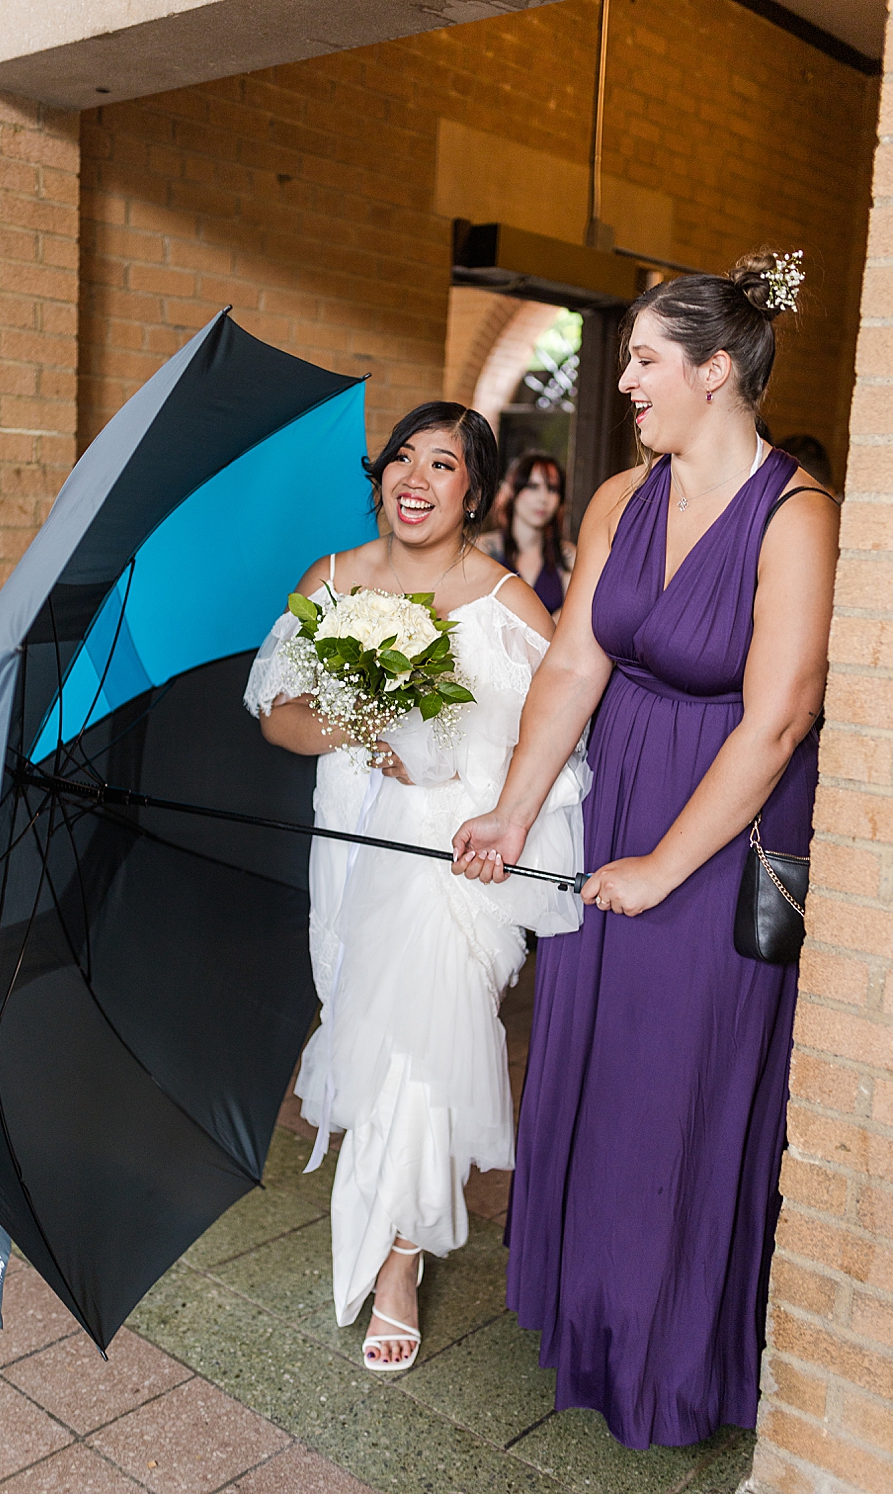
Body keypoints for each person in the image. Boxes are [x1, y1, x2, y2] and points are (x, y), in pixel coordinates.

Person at [452, 252, 837, 1447]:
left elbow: (776, 717)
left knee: (679, 1085)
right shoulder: (622, 498)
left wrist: (662, 868)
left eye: (644, 361)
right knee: (592, 1063)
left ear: (715, 372)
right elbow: (573, 663)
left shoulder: (797, 517)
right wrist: (515, 811)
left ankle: (670, 1361)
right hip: (610, 802)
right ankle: (590, 1323)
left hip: (717, 836)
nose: (623, 381)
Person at [245, 401, 584, 1371]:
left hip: (450, 862)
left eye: (442, 464)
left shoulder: (507, 600)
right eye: (403, 456)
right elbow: (278, 714)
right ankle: (386, 1223)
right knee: (357, 1019)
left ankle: (398, 1264)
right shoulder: (333, 580)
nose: (416, 476)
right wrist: (360, 727)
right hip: (349, 839)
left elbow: (556, 732)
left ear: (473, 492)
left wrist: (471, 795)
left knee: (421, 1049)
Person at [479, 452, 573, 616]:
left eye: (552, 489)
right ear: (511, 491)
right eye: (532, 486)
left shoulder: (568, 557)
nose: (543, 498)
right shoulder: (483, 549)